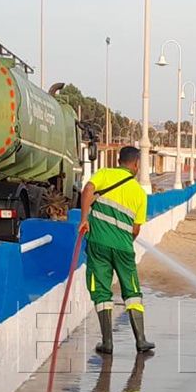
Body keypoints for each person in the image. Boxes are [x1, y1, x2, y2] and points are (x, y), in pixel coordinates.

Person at [79, 145, 155, 354]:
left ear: (119, 160)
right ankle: (141, 340)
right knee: (132, 292)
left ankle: (107, 342)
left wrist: (84, 219)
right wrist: (122, 240)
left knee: (102, 291)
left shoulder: (104, 174)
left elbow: (87, 190)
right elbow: (136, 229)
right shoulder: (140, 193)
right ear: (136, 164)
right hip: (124, 249)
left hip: (98, 245)